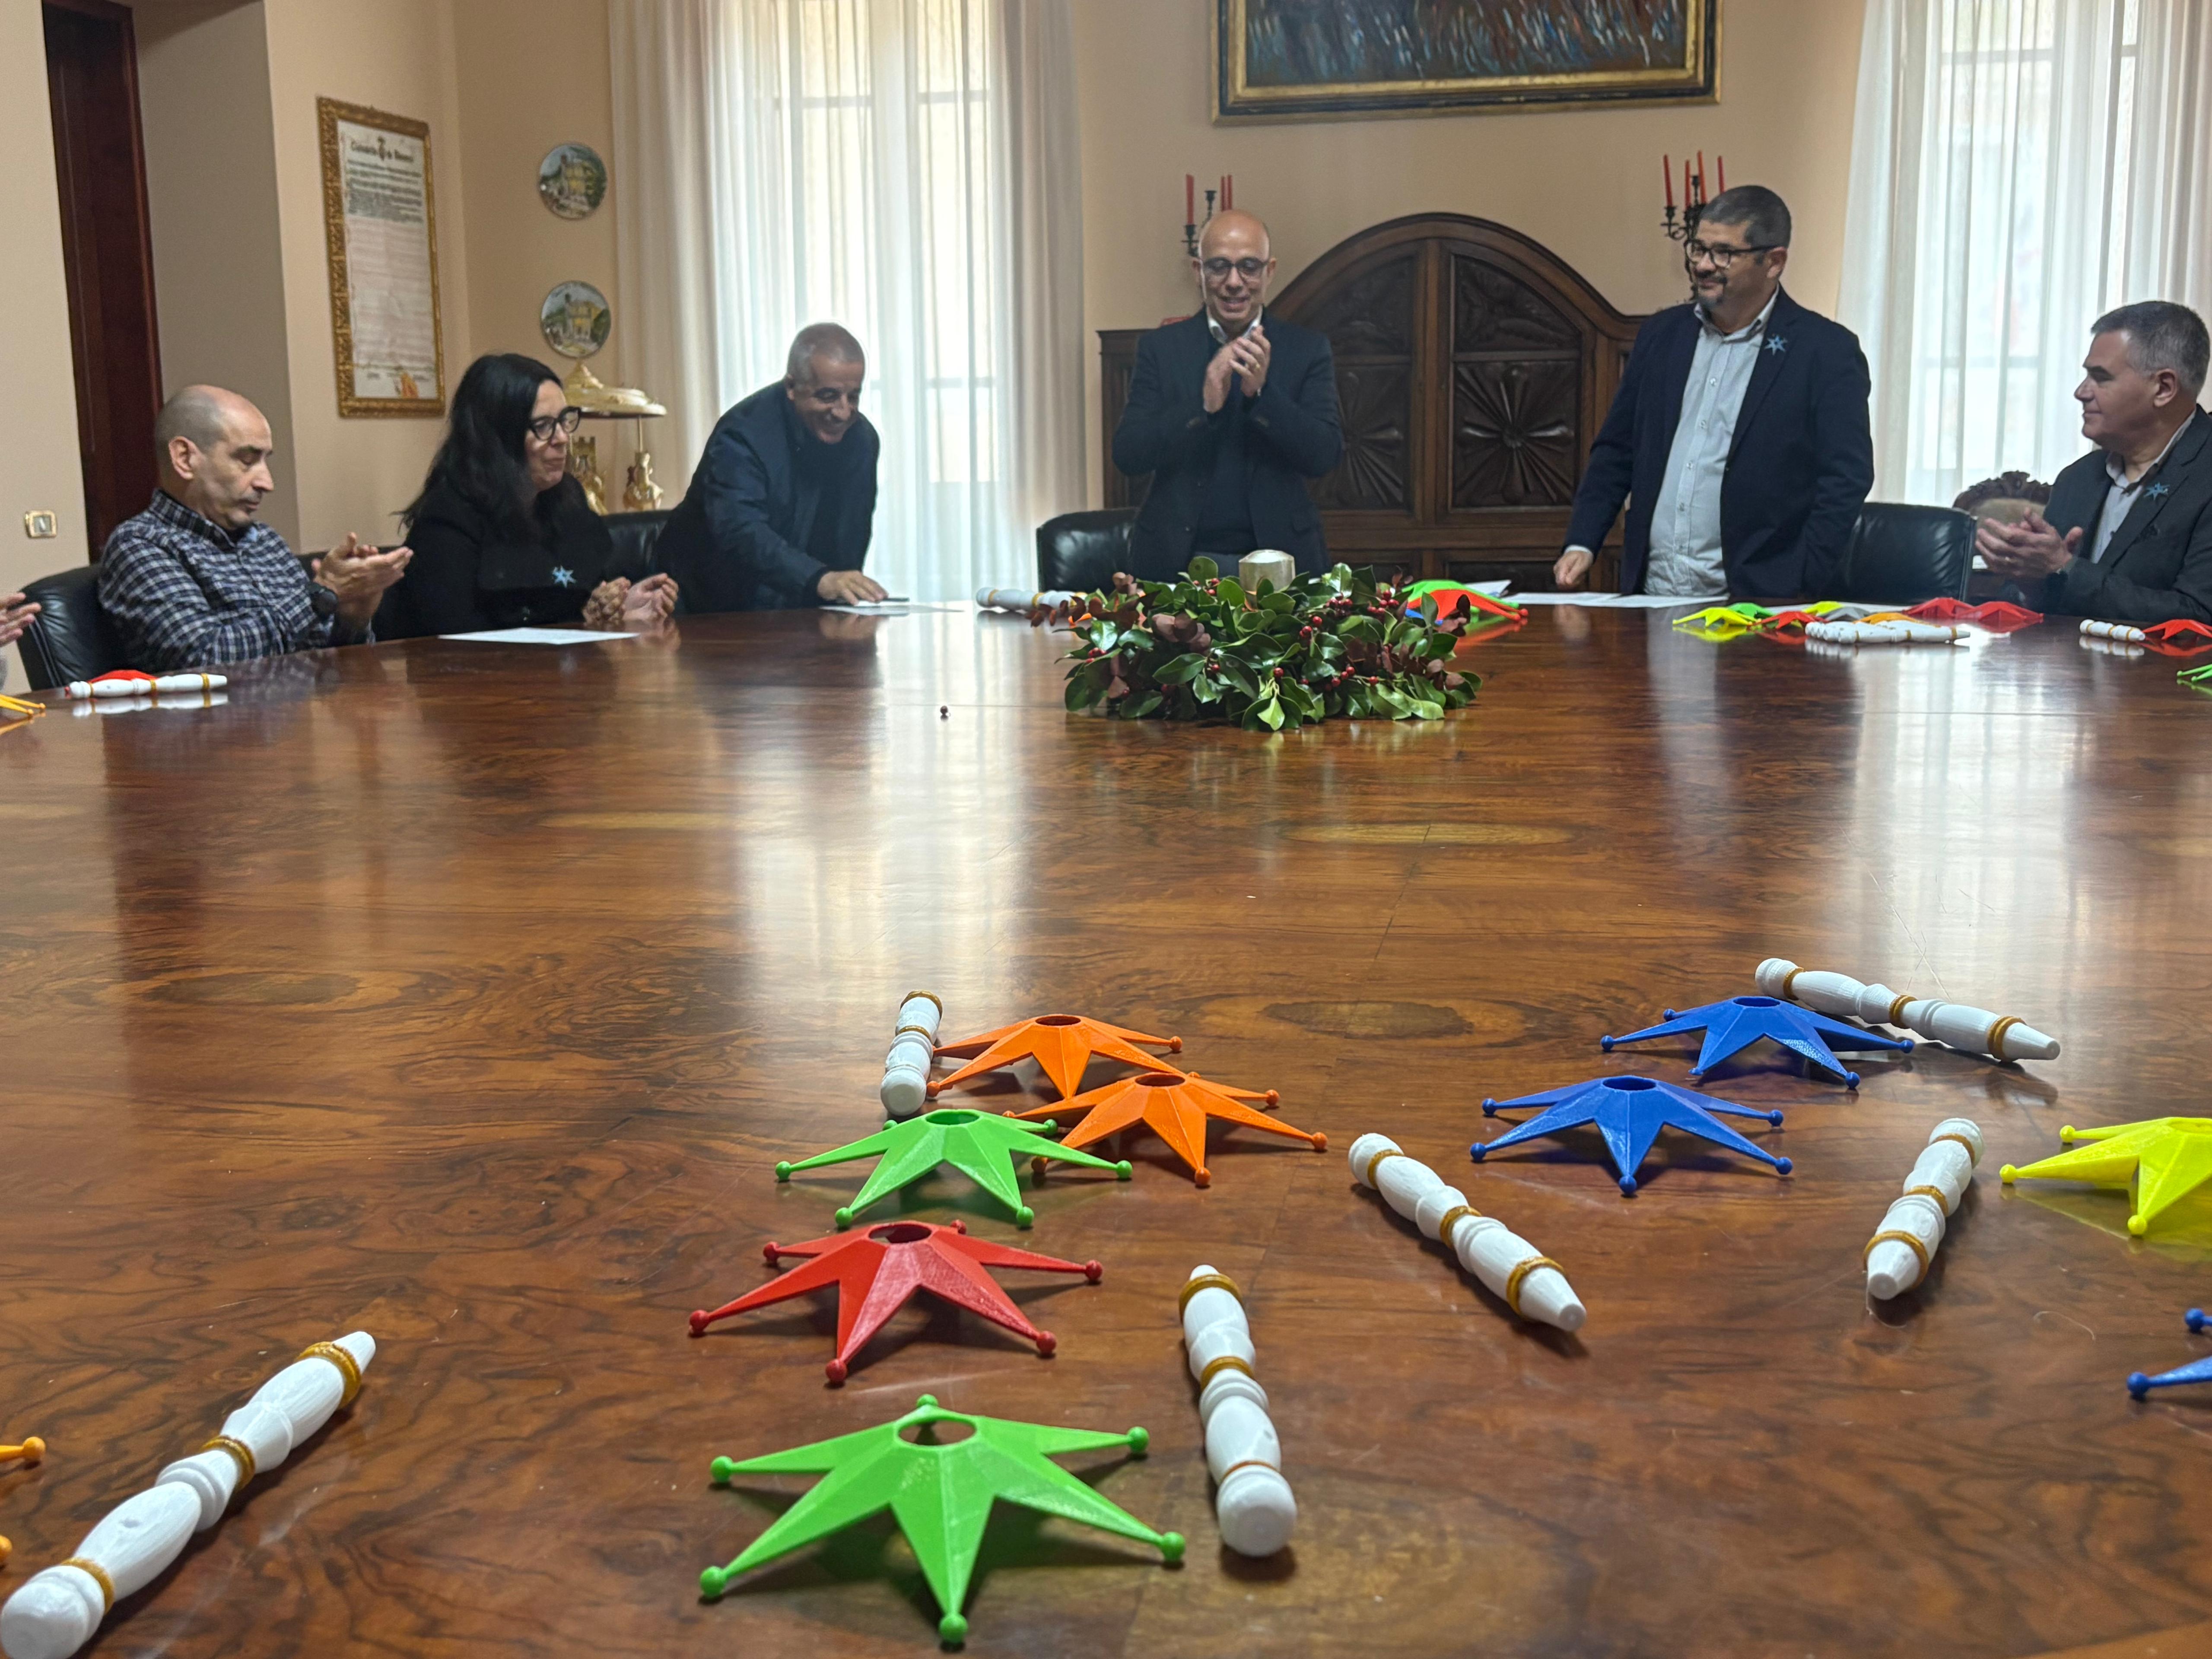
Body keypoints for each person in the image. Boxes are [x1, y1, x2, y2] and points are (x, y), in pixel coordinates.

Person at [1555, 185, 1873, 600]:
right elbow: (1617, 450)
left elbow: (1846, 478)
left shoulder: (1825, 351)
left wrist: (1799, 575)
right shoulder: (1660, 337)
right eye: (1698, 249)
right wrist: (1583, 540)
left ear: (1774, 261)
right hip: (1652, 595)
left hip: (1758, 602)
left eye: (1724, 253)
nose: (1704, 266)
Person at [99, 386, 411, 671]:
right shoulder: (142, 545)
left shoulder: (265, 541)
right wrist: (321, 594)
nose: (267, 483)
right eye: (247, 460)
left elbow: (321, 661)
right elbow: (204, 660)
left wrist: (352, 619)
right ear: (185, 458)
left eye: (265, 461)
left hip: (300, 722)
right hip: (213, 730)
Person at [1111, 210, 1341, 581]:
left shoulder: (1307, 349)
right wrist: (1202, 408)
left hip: (1283, 563)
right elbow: (1129, 455)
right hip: (1178, 562)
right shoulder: (1162, 348)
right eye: (1219, 267)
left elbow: (1324, 456)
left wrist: (1262, 396)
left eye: (1249, 266)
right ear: (1198, 271)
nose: (1234, 282)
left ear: (1270, 271)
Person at [383, 354, 677, 638]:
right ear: (498, 439)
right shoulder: (447, 521)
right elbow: (462, 643)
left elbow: (579, 599)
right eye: (544, 426)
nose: (562, 438)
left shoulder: (567, 498)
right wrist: (579, 623)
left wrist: (618, 610)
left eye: (564, 420)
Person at [1978, 302, 2212, 624]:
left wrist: (2065, 568)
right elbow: (2029, 606)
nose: (2080, 393)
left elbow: (2200, 618)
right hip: (2070, 672)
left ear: (2164, 388)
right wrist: (2031, 585)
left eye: (2100, 378)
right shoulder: (2079, 478)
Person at [655, 323, 887, 613]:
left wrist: (844, 593)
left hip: (797, 606)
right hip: (704, 602)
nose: (843, 412)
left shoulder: (861, 439)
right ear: (792, 387)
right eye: (828, 396)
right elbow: (740, 532)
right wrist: (818, 579)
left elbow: (852, 534)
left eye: (853, 396)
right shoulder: (742, 434)